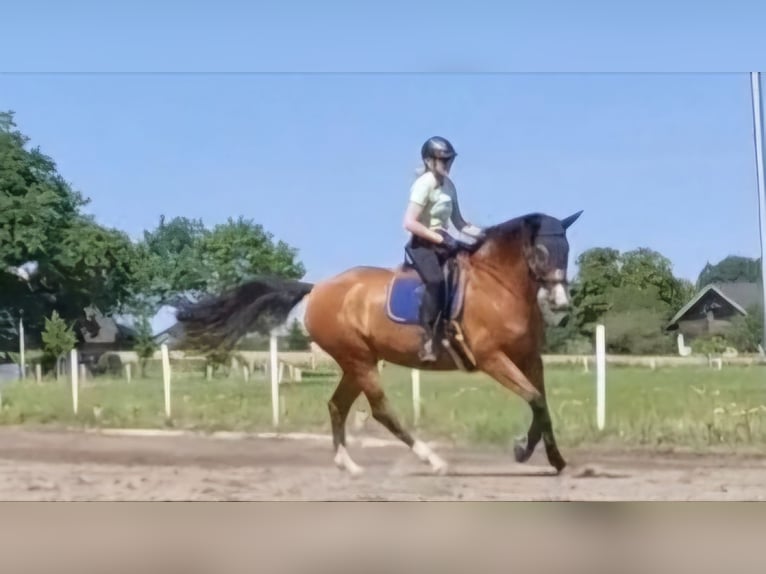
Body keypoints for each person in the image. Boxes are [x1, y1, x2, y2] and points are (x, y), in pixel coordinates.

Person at [402, 136, 484, 362]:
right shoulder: (423, 184)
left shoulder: (449, 186)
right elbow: (409, 222)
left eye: (449, 160)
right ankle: (427, 339)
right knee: (436, 282)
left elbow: (460, 224)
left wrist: (487, 235)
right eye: (442, 160)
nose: (447, 164)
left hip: (445, 241)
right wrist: (436, 238)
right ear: (429, 161)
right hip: (423, 245)